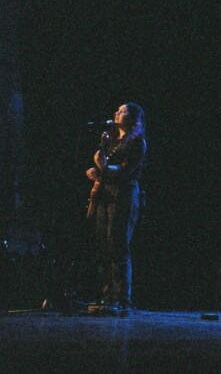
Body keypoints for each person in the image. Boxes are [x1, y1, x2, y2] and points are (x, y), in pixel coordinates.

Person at [85, 102, 147, 313]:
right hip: (105, 195)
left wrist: (102, 167)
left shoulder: (137, 142)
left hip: (124, 196)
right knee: (103, 244)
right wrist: (97, 173)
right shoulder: (111, 140)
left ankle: (121, 299)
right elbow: (107, 168)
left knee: (117, 245)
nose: (116, 113)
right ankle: (107, 295)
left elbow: (125, 172)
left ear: (134, 118)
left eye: (123, 111)